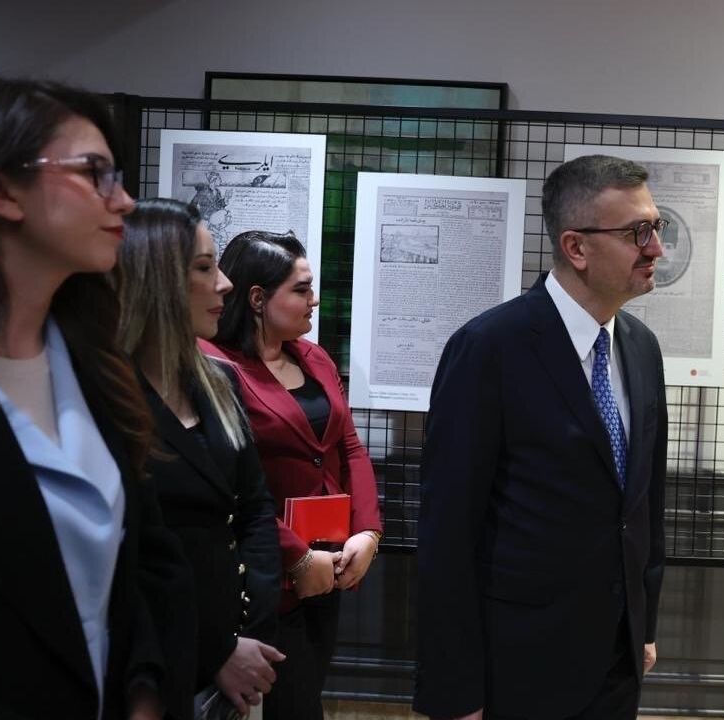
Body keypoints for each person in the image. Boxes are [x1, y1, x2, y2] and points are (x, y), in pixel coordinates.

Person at [414, 154, 670, 720]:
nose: (656, 248)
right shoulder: (489, 348)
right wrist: (455, 689)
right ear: (576, 247)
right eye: (637, 232)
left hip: (618, 657)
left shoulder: (641, 348)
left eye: (656, 227)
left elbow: (645, 501)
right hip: (520, 661)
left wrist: (644, 623)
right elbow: (448, 529)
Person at [0, 76, 193, 719]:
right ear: (2, 189)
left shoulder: (95, 366)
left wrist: (145, 690)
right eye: (94, 173)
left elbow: (145, 563)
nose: (124, 201)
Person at [204, 230, 383, 720]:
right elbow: (230, 485)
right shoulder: (215, 365)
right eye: (302, 289)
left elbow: (349, 447)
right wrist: (296, 555)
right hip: (263, 572)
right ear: (258, 298)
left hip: (330, 563)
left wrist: (367, 530)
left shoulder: (314, 356)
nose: (315, 300)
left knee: (305, 695)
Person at [118, 199, 285, 716]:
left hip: (237, 652)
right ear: (159, 280)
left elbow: (255, 507)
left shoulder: (219, 382)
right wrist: (217, 650)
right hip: (155, 663)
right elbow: (133, 560)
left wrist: (249, 632)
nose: (225, 284)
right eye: (205, 267)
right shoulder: (112, 396)